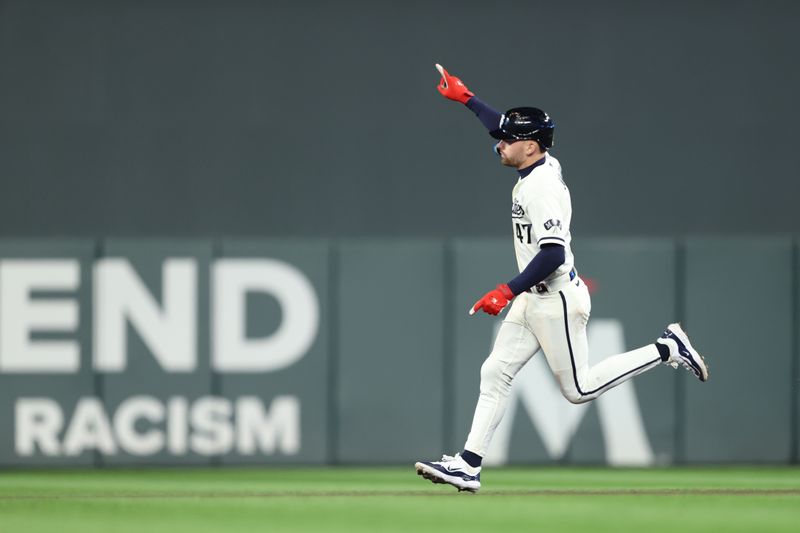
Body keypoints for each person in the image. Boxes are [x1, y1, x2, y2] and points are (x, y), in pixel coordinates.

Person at [414, 64, 709, 493]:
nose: (500, 142)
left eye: (510, 140)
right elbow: (503, 125)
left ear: (530, 148)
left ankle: (666, 348)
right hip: (533, 300)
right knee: (495, 372)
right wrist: (466, 98)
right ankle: (469, 464)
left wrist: (505, 290)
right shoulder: (536, 162)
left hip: (556, 299)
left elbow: (551, 254)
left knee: (579, 390)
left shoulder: (540, 188)